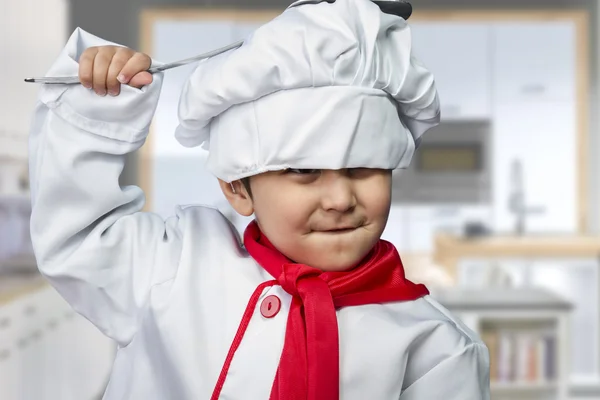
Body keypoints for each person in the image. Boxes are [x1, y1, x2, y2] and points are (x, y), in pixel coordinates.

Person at [28, 0, 490, 398]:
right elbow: (77, 237)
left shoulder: (438, 349)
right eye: (303, 170)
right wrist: (96, 108)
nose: (339, 198)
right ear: (237, 187)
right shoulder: (174, 265)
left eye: (364, 166)